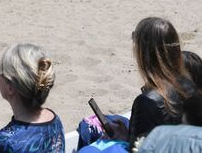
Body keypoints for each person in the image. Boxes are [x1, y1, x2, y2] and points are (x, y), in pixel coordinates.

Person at [77, 17, 197, 152]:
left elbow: (138, 149)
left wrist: (123, 139)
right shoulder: (190, 84)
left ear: (143, 53)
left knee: (88, 137)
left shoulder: (147, 102)